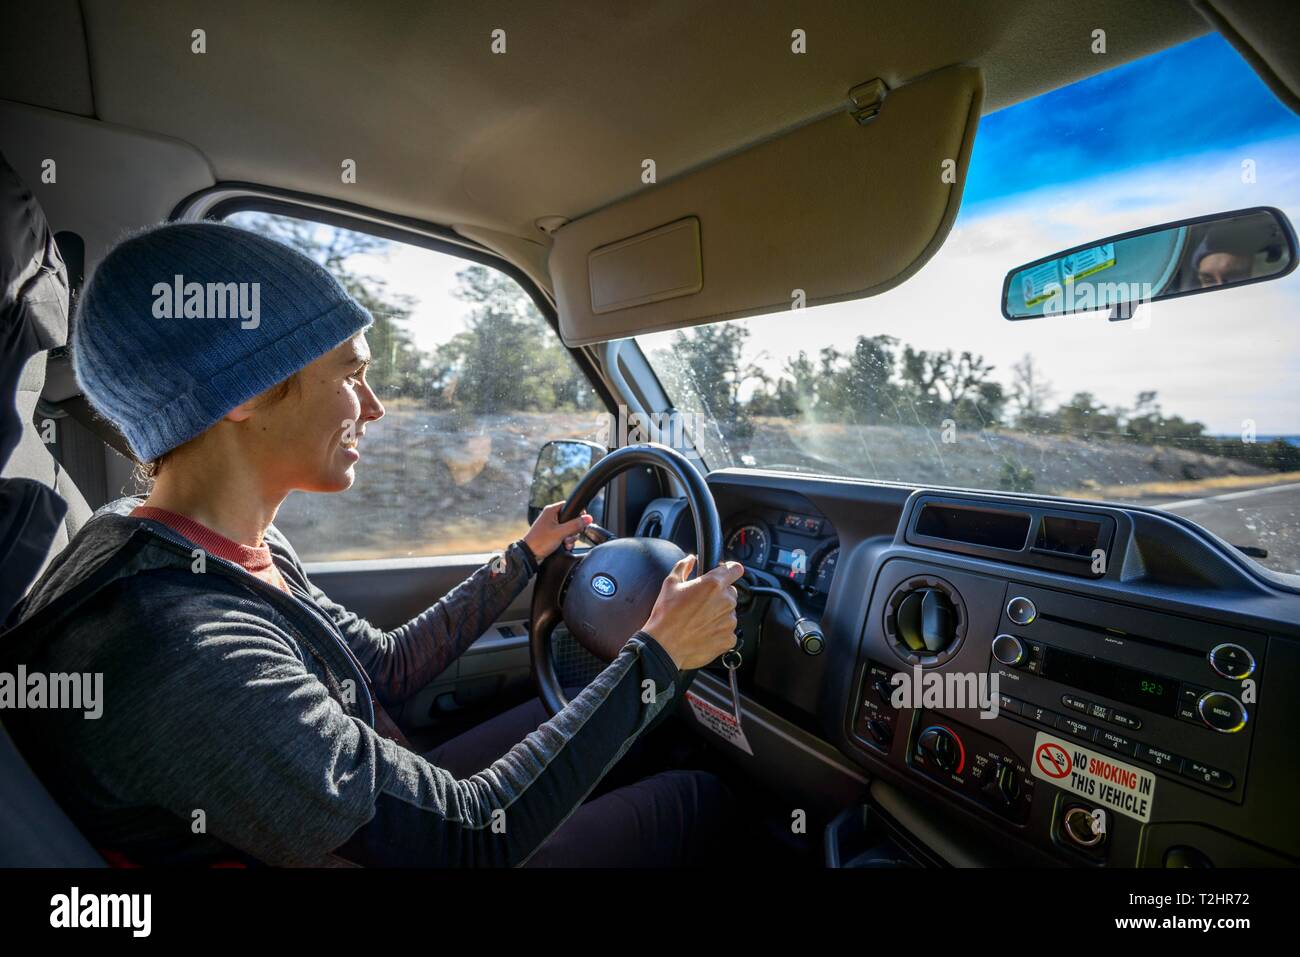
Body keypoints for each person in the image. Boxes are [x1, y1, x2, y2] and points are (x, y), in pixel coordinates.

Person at [3, 221, 743, 867]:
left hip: (359, 827)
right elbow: (469, 841)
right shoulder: (186, 655)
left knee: (623, 723)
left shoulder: (186, 536)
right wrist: (659, 654)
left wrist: (524, 557)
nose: (377, 406)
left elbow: (382, 668)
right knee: (698, 799)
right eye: (352, 373)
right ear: (241, 394)